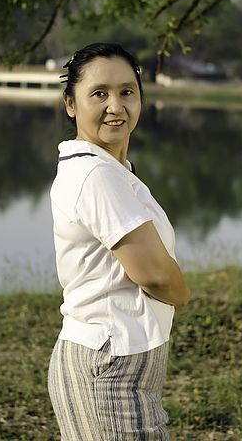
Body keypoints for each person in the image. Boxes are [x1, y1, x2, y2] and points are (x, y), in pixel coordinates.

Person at [47, 42, 191, 440]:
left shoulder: (111, 169)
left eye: (127, 91)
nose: (116, 105)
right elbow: (155, 275)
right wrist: (183, 295)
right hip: (110, 367)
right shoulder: (96, 175)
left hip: (116, 359)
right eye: (99, 94)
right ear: (71, 104)